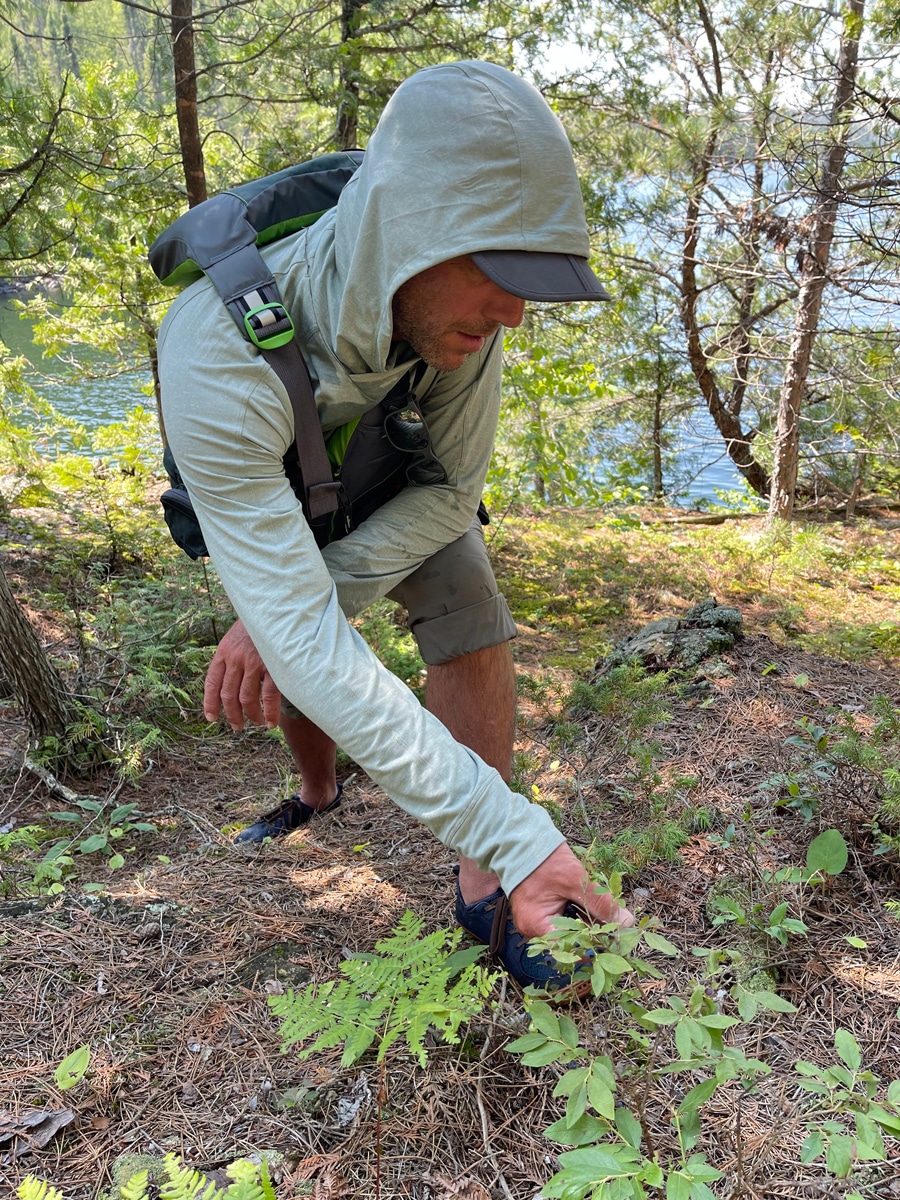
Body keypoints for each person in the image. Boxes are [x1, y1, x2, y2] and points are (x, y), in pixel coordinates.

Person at [158, 60, 634, 992]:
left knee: (460, 600)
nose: (515, 314)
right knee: (300, 652)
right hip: (264, 478)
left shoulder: (459, 325)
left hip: (389, 471)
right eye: (495, 273)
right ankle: (317, 791)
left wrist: (296, 615)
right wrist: (288, 617)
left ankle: (487, 880)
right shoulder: (214, 351)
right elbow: (302, 633)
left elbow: (452, 494)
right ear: (400, 237)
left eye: (533, 281)